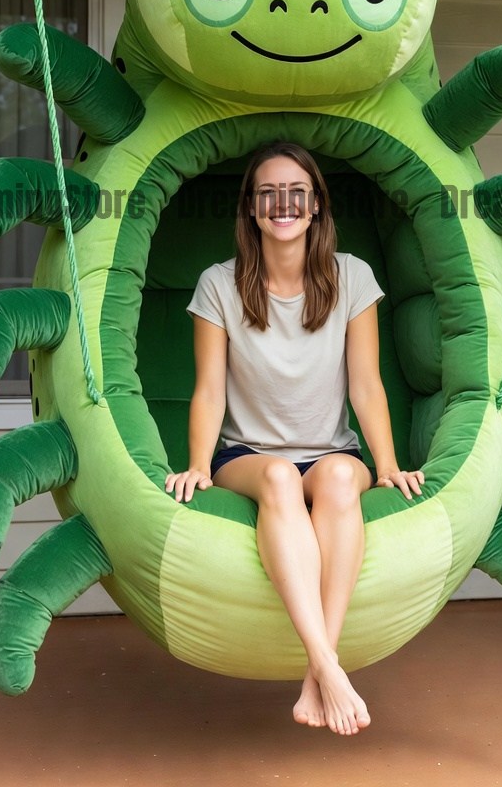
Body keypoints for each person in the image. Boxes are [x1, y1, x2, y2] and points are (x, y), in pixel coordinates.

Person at [165, 142, 424, 736]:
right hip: (247, 456)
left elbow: (366, 386)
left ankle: (319, 670)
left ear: (315, 208)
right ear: (251, 210)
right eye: (268, 193)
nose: (282, 204)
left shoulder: (353, 276)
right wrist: (199, 464)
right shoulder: (218, 286)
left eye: (296, 193)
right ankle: (330, 669)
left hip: (332, 450)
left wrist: (386, 465)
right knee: (280, 477)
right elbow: (208, 391)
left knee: (335, 476)